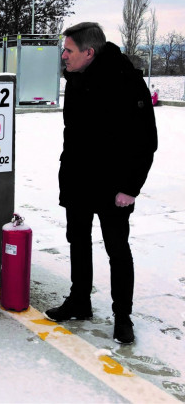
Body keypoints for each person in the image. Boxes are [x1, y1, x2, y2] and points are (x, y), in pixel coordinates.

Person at [45, 22, 158, 344]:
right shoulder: (78, 80)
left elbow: (145, 141)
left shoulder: (127, 83)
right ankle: (79, 300)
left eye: (68, 50)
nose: (63, 56)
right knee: (77, 242)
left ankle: (123, 316)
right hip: (79, 179)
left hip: (113, 185)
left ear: (89, 53)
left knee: (117, 249)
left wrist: (130, 188)